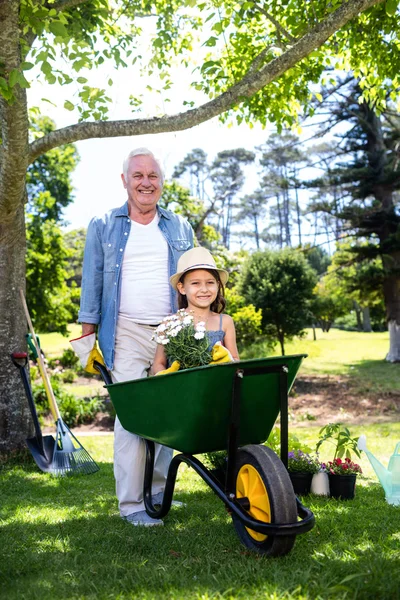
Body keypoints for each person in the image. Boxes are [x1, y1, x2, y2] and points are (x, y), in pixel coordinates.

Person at [70, 147, 194, 527]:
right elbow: (91, 282)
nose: (146, 182)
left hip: (171, 331)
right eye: (137, 175)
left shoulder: (179, 226)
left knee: (167, 415)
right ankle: (132, 505)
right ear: (125, 181)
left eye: (152, 176)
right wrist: (88, 334)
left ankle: (157, 490)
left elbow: (191, 281)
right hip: (122, 329)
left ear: (161, 181)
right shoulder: (104, 224)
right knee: (132, 417)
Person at [152, 247, 239, 375]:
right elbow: (158, 364)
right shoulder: (170, 324)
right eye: (195, 283)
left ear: (218, 285)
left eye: (210, 282)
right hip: (179, 390)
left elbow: (236, 360)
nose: (204, 289)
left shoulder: (225, 322)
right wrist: (167, 379)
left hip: (216, 388)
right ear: (182, 288)